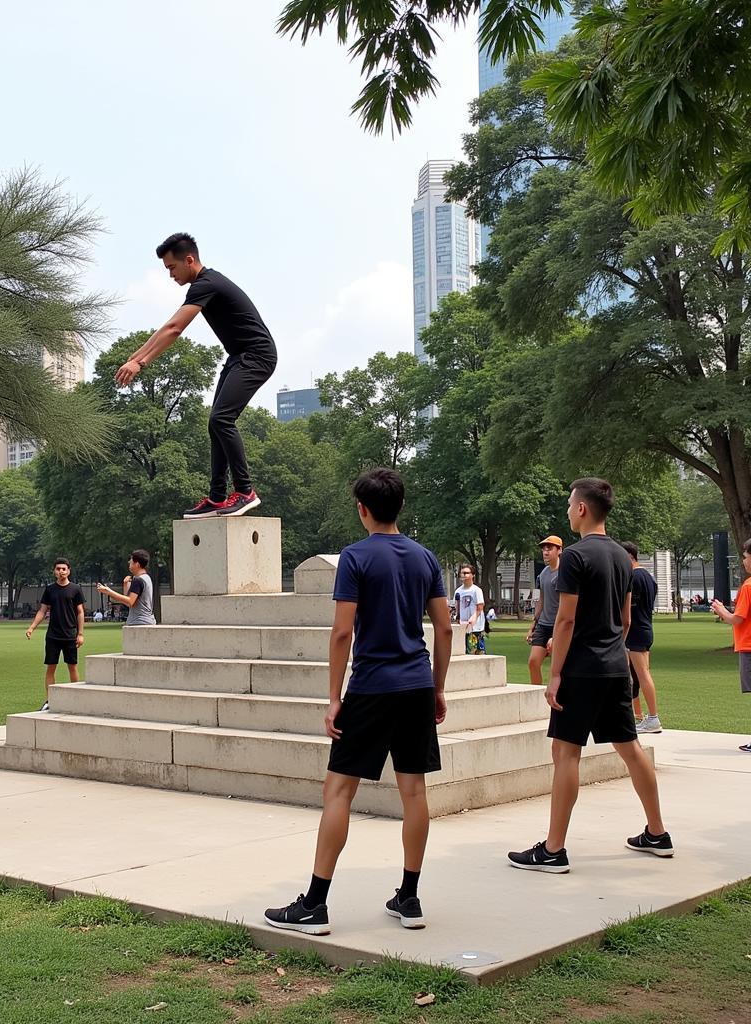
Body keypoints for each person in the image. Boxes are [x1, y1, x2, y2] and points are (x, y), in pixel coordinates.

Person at [264, 468, 452, 934]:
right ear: (400, 507)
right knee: (414, 793)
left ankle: (315, 904)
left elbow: (343, 630)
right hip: (415, 687)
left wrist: (333, 698)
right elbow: (445, 628)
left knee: (339, 791)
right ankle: (409, 897)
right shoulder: (426, 558)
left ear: (362, 509)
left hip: (371, 688)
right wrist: (438, 687)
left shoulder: (354, 557)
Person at [509, 478, 672, 873]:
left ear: (582, 509)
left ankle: (553, 849)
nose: (567, 510)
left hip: (582, 670)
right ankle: (657, 832)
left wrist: (555, 674)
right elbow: (626, 617)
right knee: (630, 748)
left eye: (569, 503)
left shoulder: (575, 559)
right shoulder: (623, 558)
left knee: (565, 754)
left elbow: (564, 621)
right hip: (616, 668)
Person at [114, 232, 277, 520]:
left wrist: (141, 363)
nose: (170, 275)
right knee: (215, 423)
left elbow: (175, 329)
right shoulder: (204, 285)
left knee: (222, 419)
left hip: (257, 355)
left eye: (171, 268)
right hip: (239, 357)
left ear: (189, 260)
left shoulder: (207, 283)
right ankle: (217, 497)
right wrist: (135, 357)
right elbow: (167, 327)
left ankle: (245, 491)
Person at [25, 557, 85, 710]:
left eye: (64, 569)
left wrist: (80, 633)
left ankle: (77, 698)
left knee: (72, 666)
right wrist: (32, 627)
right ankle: (49, 700)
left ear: (69, 571)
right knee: (51, 667)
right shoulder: (50, 589)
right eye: (58, 569)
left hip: (70, 634)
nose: (61, 571)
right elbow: (42, 610)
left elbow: (80, 612)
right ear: (54, 571)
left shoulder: (75, 589)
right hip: (53, 635)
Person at [710, 539, 751, 752]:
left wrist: (720, 610)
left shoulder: (748, 587)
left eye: (745, 557)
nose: (744, 561)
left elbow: (737, 619)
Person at [620, 541, 663, 734]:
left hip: (635, 631)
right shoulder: (649, 577)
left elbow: (627, 608)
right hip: (646, 628)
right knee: (638, 675)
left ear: (629, 557)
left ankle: (653, 718)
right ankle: (641, 717)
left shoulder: (633, 578)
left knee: (641, 675)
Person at [526, 536, 563, 686]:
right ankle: (537, 698)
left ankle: (558, 700)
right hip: (543, 624)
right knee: (533, 662)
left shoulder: (565, 573)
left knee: (557, 667)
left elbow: (565, 604)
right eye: (544, 549)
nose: (545, 552)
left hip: (559, 625)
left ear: (559, 550)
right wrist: (532, 626)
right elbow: (541, 601)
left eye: (550, 548)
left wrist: (556, 635)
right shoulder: (543, 574)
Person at [96, 549, 157, 626]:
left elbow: (130, 602)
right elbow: (129, 602)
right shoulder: (146, 578)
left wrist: (109, 592)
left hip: (139, 622)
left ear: (137, 564)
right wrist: (126, 585)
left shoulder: (138, 580)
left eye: (131, 561)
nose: (129, 562)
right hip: (147, 621)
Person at [454, 566, 486, 654]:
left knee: (477, 653)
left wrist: (474, 617)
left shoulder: (476, 590)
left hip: (475, 628)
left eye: (467, 573)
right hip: (463, 626)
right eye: (462, 573)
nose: (464, 575)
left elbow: (480, 607)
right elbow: (457, 607)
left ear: (473, 575)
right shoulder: (458, 591)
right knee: (464, 653)